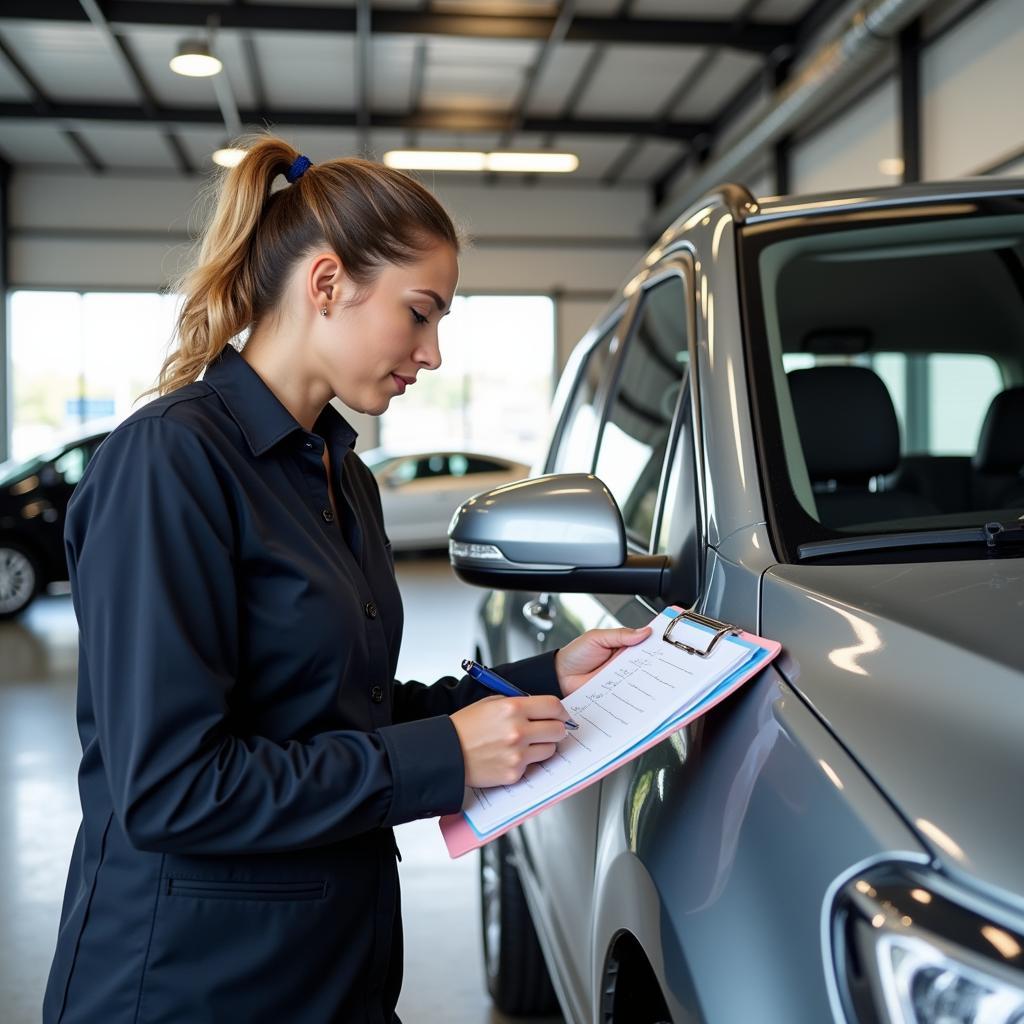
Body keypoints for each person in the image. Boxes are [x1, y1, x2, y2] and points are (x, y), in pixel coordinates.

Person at [42, 136, 651, 1024]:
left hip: (332, 973)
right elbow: (171, 787)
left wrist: (541, 682)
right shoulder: (170, 463)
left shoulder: (340, 475)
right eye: (420, 312)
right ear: (327, 284)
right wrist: (445, 759)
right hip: (193, 986)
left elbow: (340, 708)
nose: (433, 352)